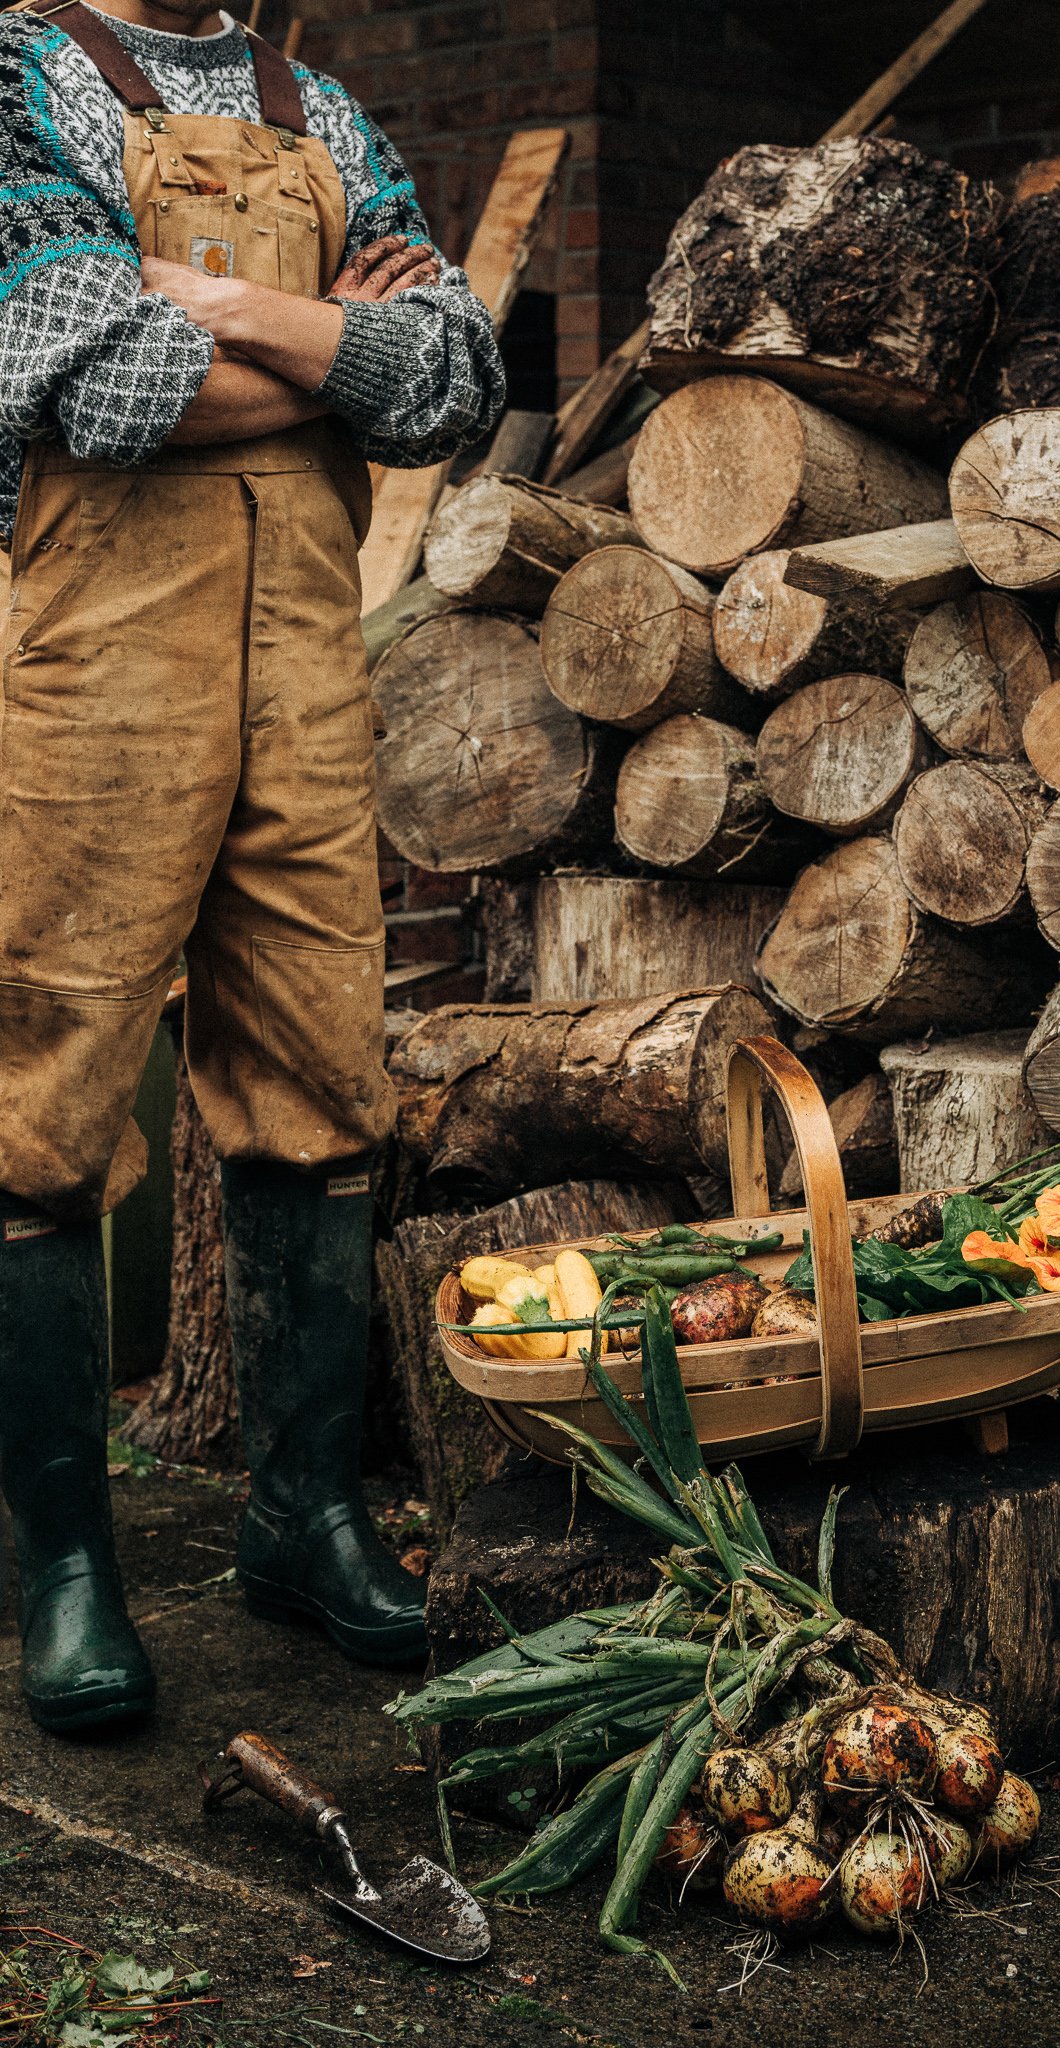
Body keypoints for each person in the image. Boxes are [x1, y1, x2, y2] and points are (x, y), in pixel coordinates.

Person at [0, 0, 505, 1732]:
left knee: (319, 1069)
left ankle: (305, 1516)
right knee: (41, 1098)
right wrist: (323, 350)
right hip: (90, 668)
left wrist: (211, 301)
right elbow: (92, 382)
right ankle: (67, 1573)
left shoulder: (319, 101)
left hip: (304, 661)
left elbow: (454, 377)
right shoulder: (18, 73)